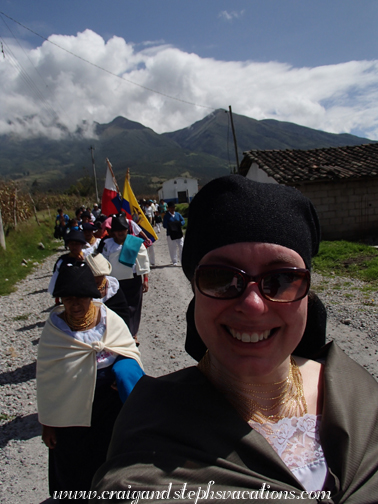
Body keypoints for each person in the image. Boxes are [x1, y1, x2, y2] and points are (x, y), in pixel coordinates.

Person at [92, 175, 378, 502]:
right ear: (195, 292)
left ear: (308, 294)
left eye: (282, 278)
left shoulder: (358, 394)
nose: (253, 305)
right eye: (221, 277)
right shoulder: (151, 428)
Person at [37, 261, 143, 497]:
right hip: (70, 411)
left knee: (112, 458)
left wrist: (122, 370)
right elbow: (47, 381)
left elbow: (128, 349)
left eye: (81, 297)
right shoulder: (55, 331)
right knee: (75, 467)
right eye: (68, 298)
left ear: (91, 296)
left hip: (109, 405)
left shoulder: (109, 319)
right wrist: (48, 423)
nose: (74, 304)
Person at [102, 213, 150, 338]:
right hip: (114, 281)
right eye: (117, 231)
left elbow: (143, 261)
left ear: (126, 230)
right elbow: (103, 263)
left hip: (133, 280)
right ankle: (120, 333)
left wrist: (145, 279)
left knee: (134, 307)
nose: (120, 233)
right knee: (117, 307)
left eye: (122, 230)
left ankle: (133, 334)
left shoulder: (135, 242)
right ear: (113, 232)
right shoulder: (107, 244)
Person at [85, 252, 131, 330]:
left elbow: (123, 312)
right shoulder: (83, 290)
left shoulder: (113, 287)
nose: (97, 279)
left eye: (100, 276)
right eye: (93, 276)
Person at [163, 201, 185, 266]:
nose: (172, 209)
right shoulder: (166, 216)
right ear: (168, 208)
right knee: (172, 248)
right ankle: (174, 261)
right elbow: (164, 225)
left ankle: (182, 260)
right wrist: (172, 226)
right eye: (171, 208)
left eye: (173, 207)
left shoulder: (178, 214)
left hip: (178, 233)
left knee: (181, 246)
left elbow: (183, 220)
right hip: (170, 234)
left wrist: (179, 224)